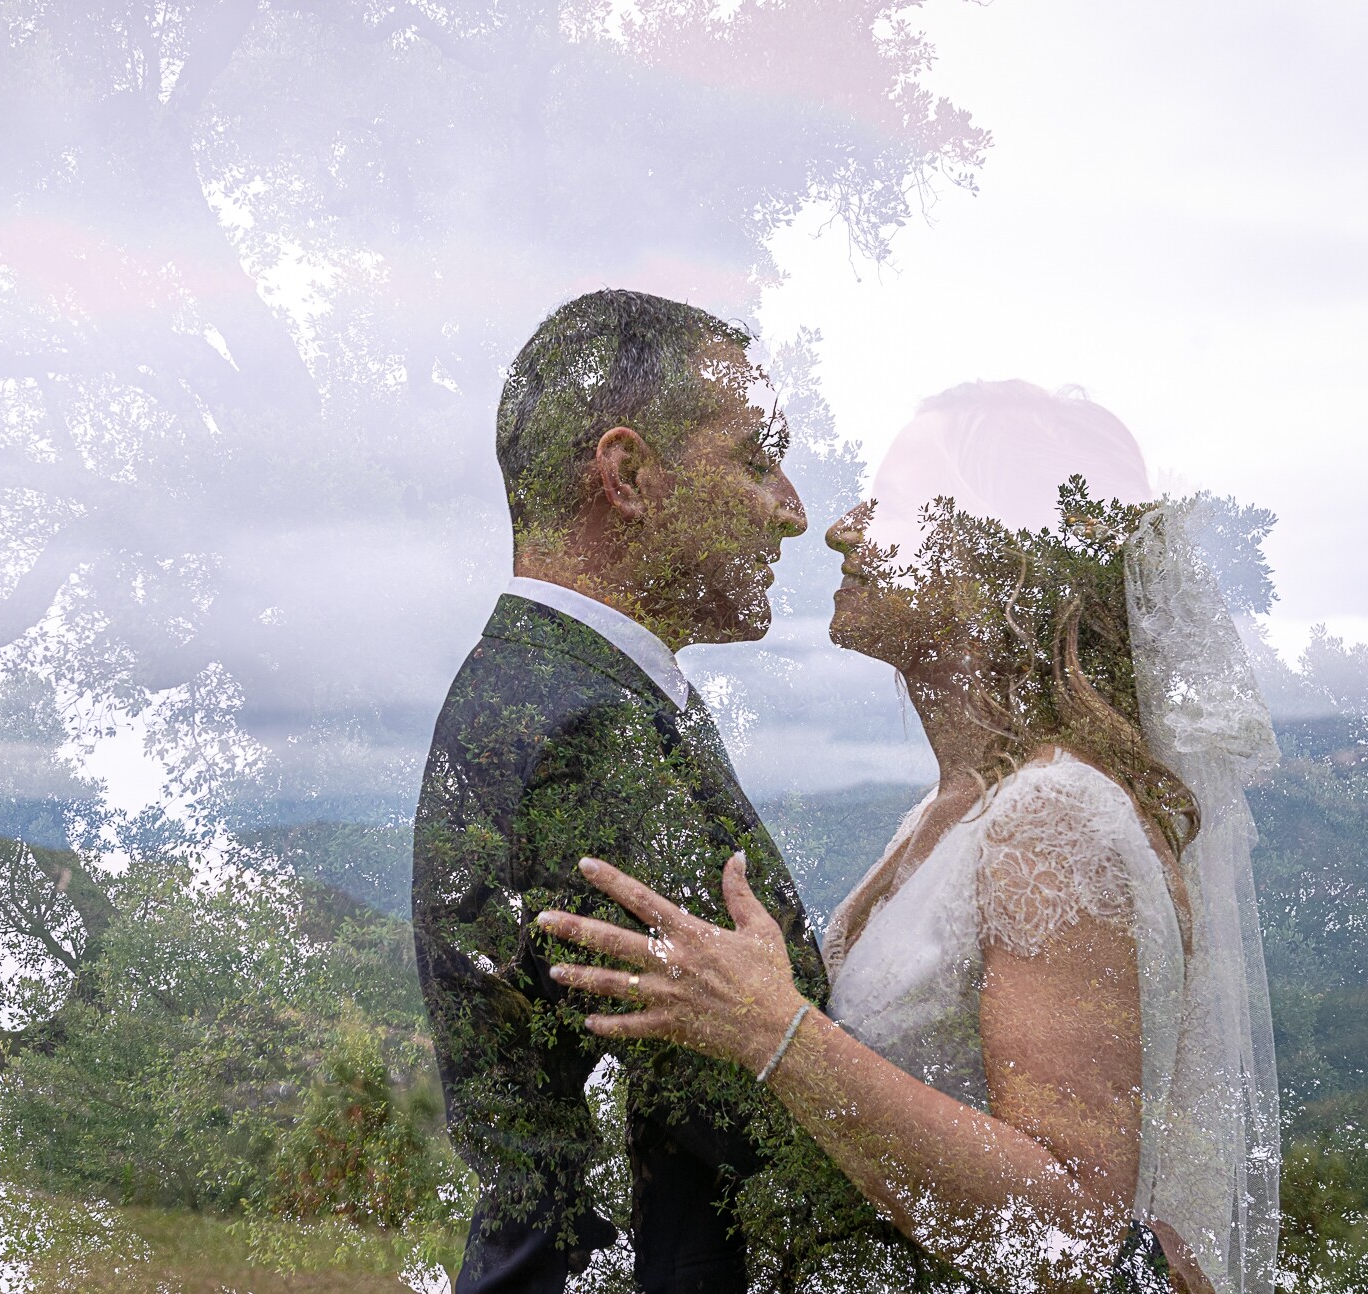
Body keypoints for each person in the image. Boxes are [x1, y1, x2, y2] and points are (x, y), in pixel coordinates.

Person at [538, 381, 1282, 1294]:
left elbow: (1079, 1237)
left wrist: (774, 1029)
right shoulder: (952, 810)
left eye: (883, 504)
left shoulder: (1054, 816)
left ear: (992, 556)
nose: (840, 530)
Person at [412, 290, 937, 1294]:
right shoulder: (583, 727)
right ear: (628, 476)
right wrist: (1074, 1252)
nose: (790, 510)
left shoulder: (555, 687)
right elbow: (756, 1127)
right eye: (755, 458)